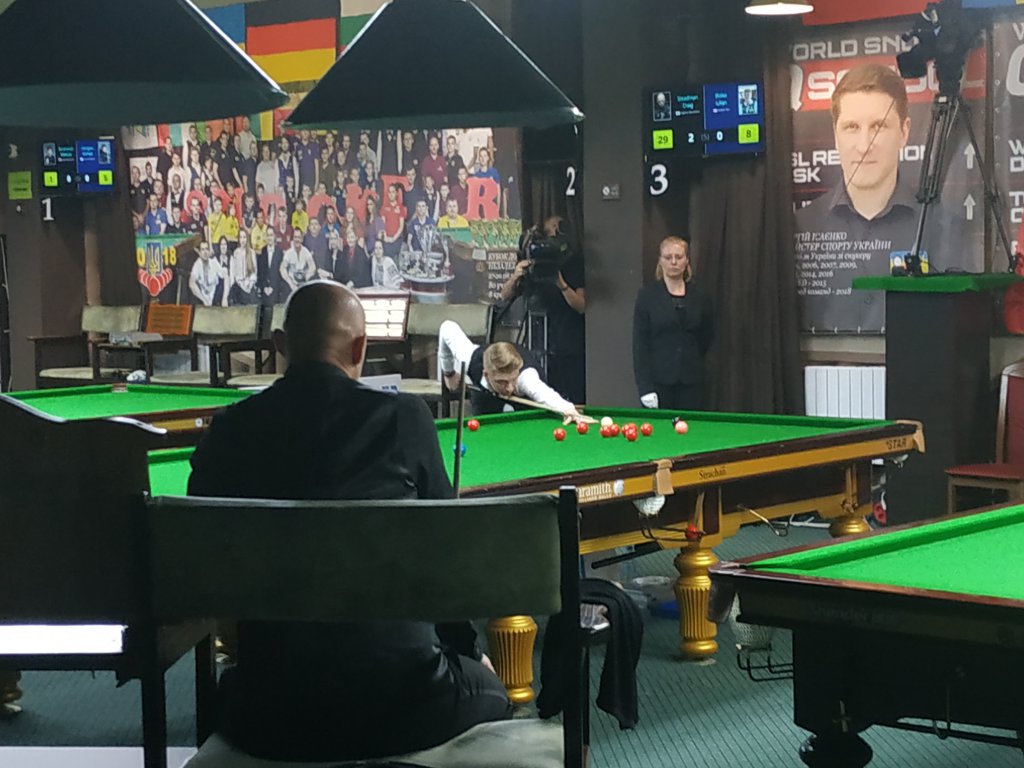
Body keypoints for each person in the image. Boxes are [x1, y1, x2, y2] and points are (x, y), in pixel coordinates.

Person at [188, 281, 510, 761]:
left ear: (280, 344)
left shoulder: (230, 429)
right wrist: (464, 651)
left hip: (268, 715)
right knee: (493, 690)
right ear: (360, 347)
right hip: (409, 705)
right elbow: (445, 554)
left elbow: (201, 552)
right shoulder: (406, 418)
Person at [795, 62, 965, 331]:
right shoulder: (801, 227)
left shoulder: (944, 228)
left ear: (904, 132)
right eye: (852, 127)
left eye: (878, 126)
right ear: (835, 135)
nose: (865, 145)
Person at [500, 215, 587, 405]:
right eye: (549, 230)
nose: (553, 233)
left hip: (569, 346)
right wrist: (516, 276)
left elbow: (581, 306)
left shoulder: (574, 262)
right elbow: (505, 296)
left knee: (572, 399)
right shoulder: (533, 263)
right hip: (537, 345)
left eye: (557, 228)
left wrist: (561, 284)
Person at [439, 322, 585, 422]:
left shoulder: (526, 379)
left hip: (526, 406)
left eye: (512, 379)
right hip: (485, 398)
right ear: (486, 374)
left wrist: (568, 409)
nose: (509, 388)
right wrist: (449, 373)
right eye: (502, 382)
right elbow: (447, 327)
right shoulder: (469, 357)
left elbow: (546, 394)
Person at [632, 235, 713, 410]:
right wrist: (645, 388)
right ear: (660, 261)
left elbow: (706, 336)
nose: (673, 262)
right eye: (668, 257)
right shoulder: (647, 296)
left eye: (679, 257)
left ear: (687, 260)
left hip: (692, 381)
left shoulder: (700, 296)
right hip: (658, 381)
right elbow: (640, 345)